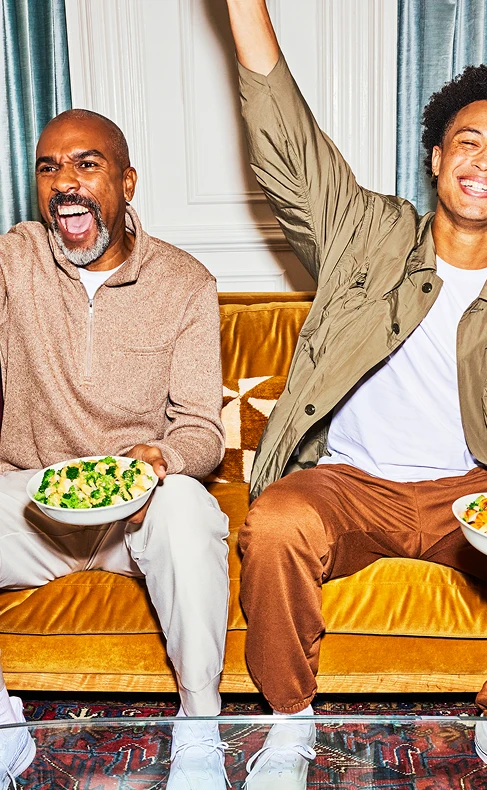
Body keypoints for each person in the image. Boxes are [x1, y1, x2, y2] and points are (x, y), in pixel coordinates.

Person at [223, 2, 487, 789]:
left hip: (478, 488)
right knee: (279, 519)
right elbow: (284, 136)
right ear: (435, 156)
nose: (483, 162)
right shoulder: (362, 233)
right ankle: (289, 722)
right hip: (352, 485)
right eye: (468, 142)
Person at [0, 109, 230, 790]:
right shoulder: (14, 259)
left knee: (188, 509)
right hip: (35, 508)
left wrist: (159, 460)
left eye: (86, 164)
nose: (64, 182)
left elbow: (200, 429)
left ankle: (200, 732)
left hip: (135, 509)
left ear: (127, 182)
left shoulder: (187, 283)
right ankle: (4, 730)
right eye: (48, 167)